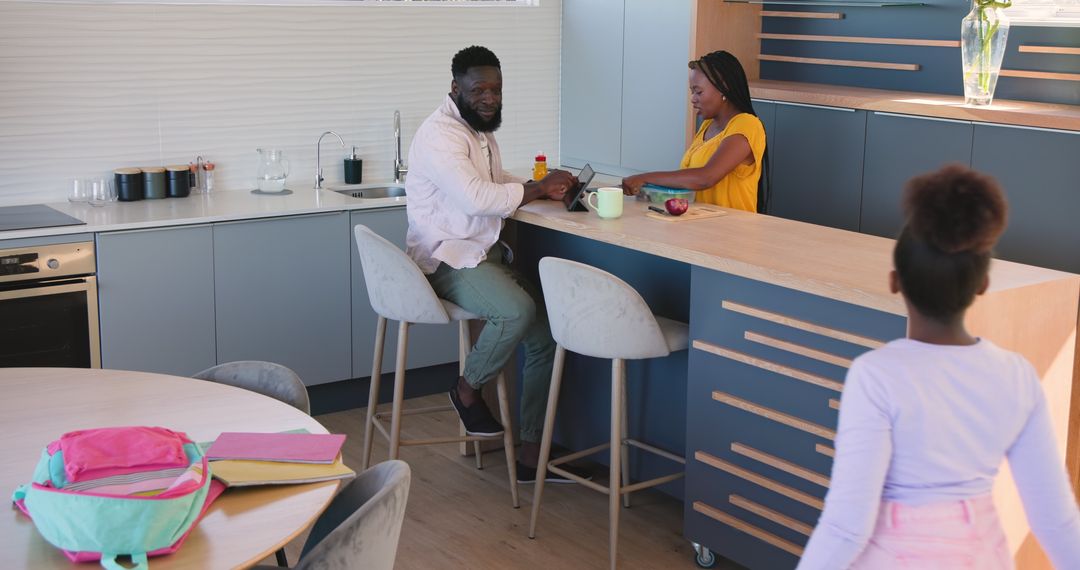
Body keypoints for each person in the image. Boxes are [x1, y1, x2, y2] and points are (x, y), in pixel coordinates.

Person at [797, 164, 1080, 569]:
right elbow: (1055, 520)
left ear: (896, 282)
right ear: (981, 286)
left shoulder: (876, 375)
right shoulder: (1017, 375)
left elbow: (848, 525)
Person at [405, 45, 583, 483]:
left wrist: (538, 182)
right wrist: (538, 190)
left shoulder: (478, 131)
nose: (490, 97)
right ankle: (466, 389)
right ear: (455, 88)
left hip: (478, 254)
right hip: (447, 257)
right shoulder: (441, 136)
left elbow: (490, 181)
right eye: (479, 89)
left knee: (547, 336)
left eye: (496, 89)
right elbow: (477, 198)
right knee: (516, 311)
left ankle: (530, 455)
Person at [621, 50, 769, 213]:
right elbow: (689, 181)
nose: (693, 98)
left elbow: (705, 178)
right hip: (700, 227)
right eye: (692, 92)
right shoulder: (707, 126)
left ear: (723, 88)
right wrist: (646, 187)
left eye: (698, 92)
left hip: (731, 233)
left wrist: (644, 178)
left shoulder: (747, 125)